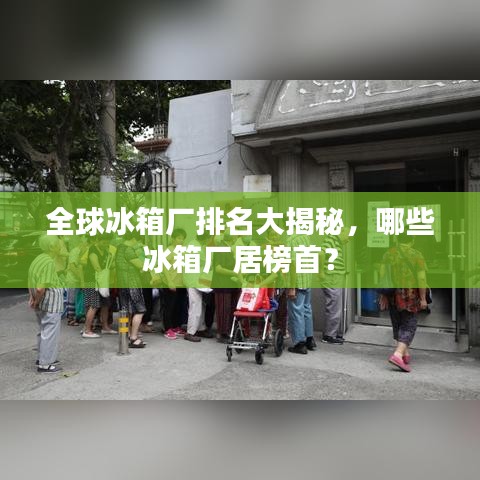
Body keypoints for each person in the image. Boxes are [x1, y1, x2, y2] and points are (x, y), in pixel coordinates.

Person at [379, 233, 428, 373]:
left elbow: (382, 275)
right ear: (412, 240)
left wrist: (383, 294)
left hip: (392, 295)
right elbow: (421, 278)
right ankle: (398, 354)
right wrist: (423, 298)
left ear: (397, 239)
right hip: (410, 296)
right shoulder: (417, 255)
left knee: (398, 323)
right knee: (409, 325)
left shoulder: (388, 254)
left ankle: (405, 354)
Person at [28, 235, 64, 373]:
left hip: (42, 303)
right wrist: (36, 300)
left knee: (43, 331)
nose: (60, 246)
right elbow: (40, 288)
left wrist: (32, 298)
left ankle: (43, 358)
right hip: (50, 303)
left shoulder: (38, 258)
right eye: (58, 244)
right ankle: (45, 364)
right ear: (52, 247)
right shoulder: (49, 262)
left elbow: (31, 280)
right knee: (50, 332)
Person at [115, 232, 148, 348]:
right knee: (140, 310)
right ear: (134, 238)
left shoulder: (119, 248)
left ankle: (126, 336)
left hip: (122, 283)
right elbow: (142, 265)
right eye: (138, 241)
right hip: (132, 283)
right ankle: (134, 338)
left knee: (125, 311)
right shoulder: (129, 250)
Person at [320, 228, 351, 344]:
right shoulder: (331, 240)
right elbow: (321, 253)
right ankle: (329, 335)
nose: (348, 239)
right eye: (348, 236)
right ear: (341, 231)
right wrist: (321, 273)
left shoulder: (336, 242)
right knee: (334, 307)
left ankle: (331, 333)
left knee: (335, 306)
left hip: (335, 277)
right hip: (331, 277)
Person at [82, 234, 116, 338]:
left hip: (103, 281)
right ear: (98, 240)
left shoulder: (106, 251)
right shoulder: (93, 249)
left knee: (105, 304)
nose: (106, 244)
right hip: (93, 281)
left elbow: (109, 265)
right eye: (104, 242)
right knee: (94, 305)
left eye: (108, 242)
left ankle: (105, 327)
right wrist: (103, 275)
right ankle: (87, 330)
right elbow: (96, 266)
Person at [287, 233, 315, 354]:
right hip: (307, 279)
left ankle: (299, 343)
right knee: (307, 309)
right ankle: (310, 339)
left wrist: (292, 286)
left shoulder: (291, 240)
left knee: (296, 312)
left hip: (298, 282)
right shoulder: (305, 236)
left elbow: (293, 264)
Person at [183, 233, 215, 342]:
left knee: (201, 305)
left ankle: (201, 328)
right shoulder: (194, 246)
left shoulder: (198, 245)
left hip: (198, 281)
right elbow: (203, 261)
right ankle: (190, 332)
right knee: (195, 306)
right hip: (193, 281)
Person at [212, 233, 242, 343]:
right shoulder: (221, 248)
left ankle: (230, 331)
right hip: (222, 284)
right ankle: (222, 333)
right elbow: (218, 269)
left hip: (231, 284)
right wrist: (234, 273)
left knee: (231, 309)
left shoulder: (229, 249)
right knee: (224, 309)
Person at [161, 229, 189, 339]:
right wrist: (169, 282)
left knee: (179, 306)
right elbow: (164, 267)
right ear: (173, 239)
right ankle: (167, 329)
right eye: (178, 238)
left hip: (181, 283)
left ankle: (176, 326)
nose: (181, 240)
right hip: (171, 283)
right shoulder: (169, 250)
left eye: (182, 238)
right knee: (169, 306)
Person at [65, 236, 87, 326]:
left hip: (78, 279)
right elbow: (72, 266)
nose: (87, 245)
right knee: (72, 299)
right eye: (86, 243)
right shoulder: (75, 251)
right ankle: (71, 319)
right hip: (73, 279)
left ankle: (78, 317)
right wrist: (80, 277)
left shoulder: (83, 251)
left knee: (78, 299)